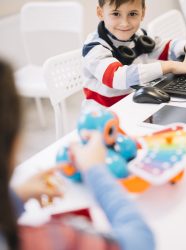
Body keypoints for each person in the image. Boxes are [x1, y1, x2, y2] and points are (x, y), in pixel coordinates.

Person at [0, 59, 155, 250]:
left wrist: (13, 198)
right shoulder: (53, 240)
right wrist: (96, 170)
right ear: (14, 142)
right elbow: (140, 242)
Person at [82, 0, 186, 107]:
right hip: (103, 117)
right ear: (100, 13)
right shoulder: (94, 47)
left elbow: (163, 47)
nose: (124, 23)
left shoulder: (138, 35)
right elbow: (116, 77)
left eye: (132, 14)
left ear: (142, 13)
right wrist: (169, 66)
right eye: (116, 14)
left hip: (134, 104)